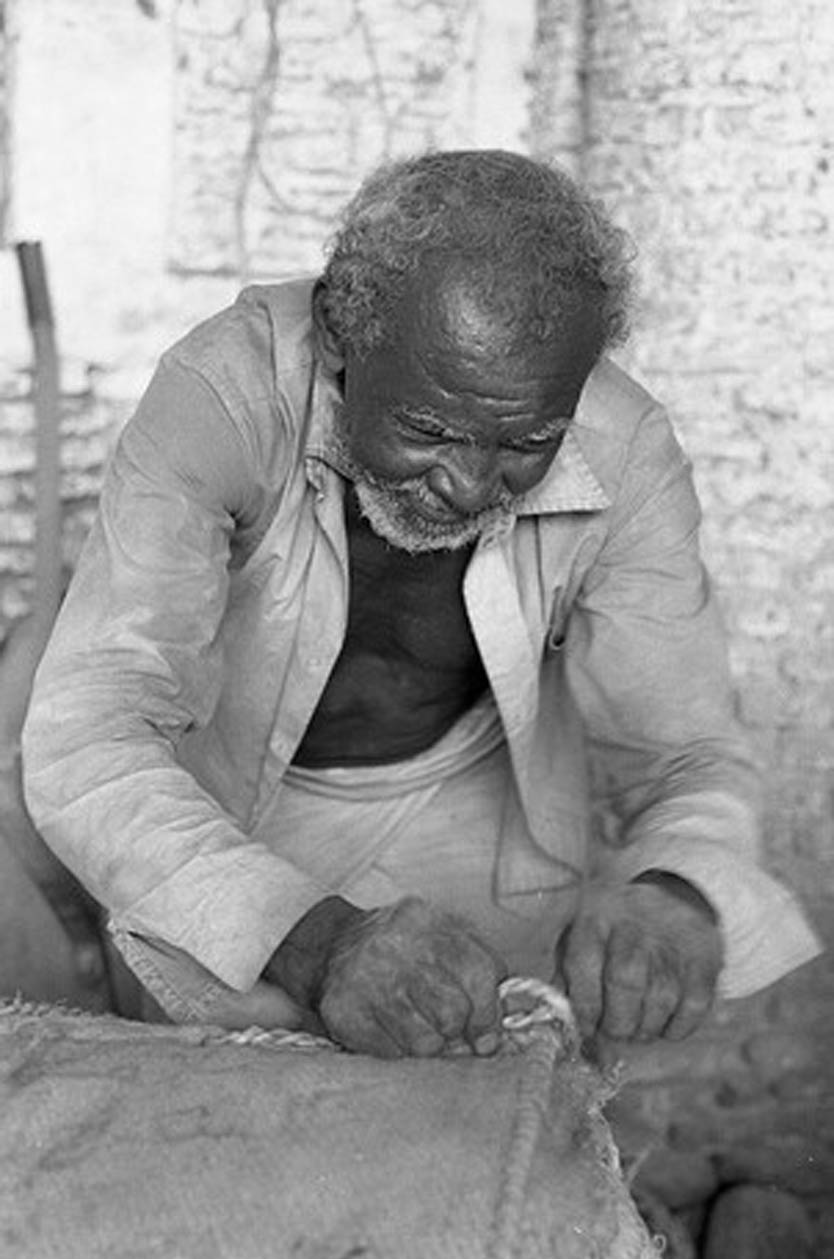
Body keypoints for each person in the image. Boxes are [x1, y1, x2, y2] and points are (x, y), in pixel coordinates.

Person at [22, 150, 820, 1057]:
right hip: (223, 820)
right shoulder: (225, 399)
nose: (470, 484)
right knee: (229, 1116)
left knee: (490, 1096)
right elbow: (89, 735)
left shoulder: (622, 446)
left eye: (526, 442)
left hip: (476, 817)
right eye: (428, 429)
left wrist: (676, 888)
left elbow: (688, 750)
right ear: (338, 333)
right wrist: (318, 942)